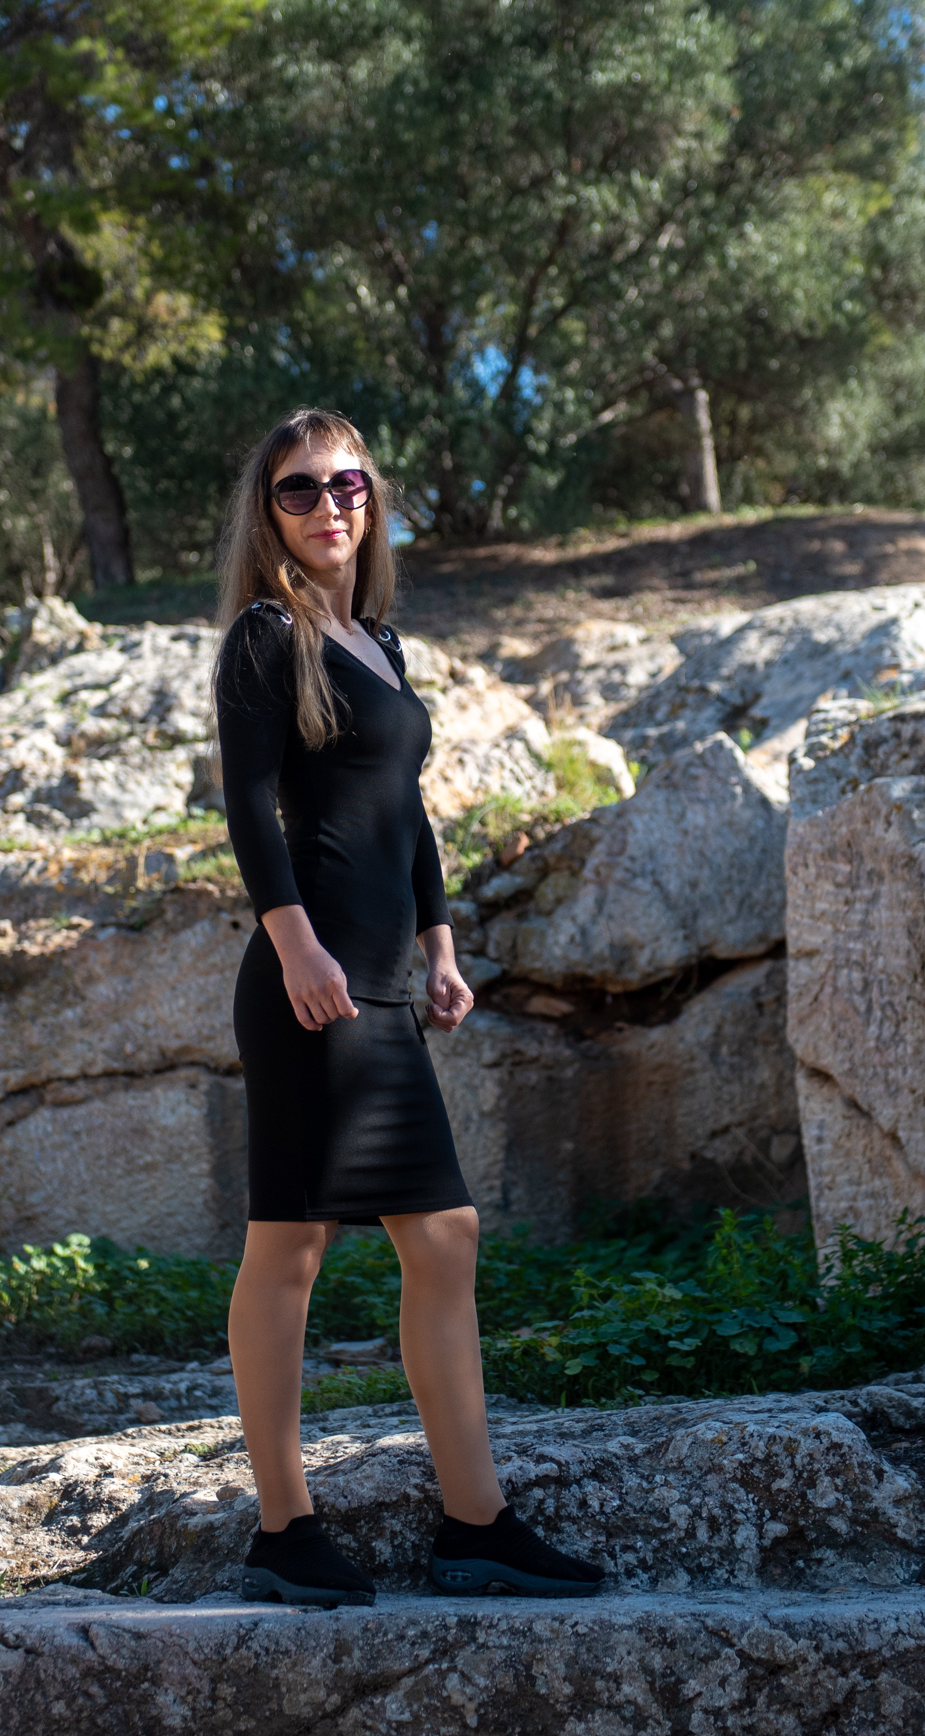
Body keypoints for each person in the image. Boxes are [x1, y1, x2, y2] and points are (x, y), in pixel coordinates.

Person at [210, 406, 606, 1607]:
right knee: (291, 1247)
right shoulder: (264, 637)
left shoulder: (376, 637)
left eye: (348, 483)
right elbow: (248, 806)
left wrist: (437, 940)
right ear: (266, 511)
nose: (329, 503)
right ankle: (285, 1525)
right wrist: (296, 951)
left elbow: (405, 809)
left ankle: (474, 1523)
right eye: (298, 489)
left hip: (381, 977)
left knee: (441, 1237)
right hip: (310, 984)